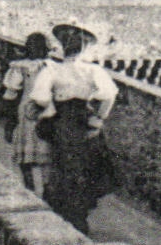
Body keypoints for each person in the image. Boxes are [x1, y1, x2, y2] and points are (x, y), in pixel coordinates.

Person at [26, 24, 119, 233]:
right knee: (85, 166)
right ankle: (80, 215)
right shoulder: (93, 70)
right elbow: (109, 94)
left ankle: (66, 215)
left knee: (63, 166)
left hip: (63, 122)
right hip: (85, 121)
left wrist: (45, 108)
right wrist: (98, 119)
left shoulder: (52, 69)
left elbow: (40, 97)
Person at [1, 32, 58, 196]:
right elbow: (11, 93)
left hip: (37, 110)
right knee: (35, 152)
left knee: (37, 151)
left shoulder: (46, 66)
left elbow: (10, 94)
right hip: (36, 111)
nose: (34, 49)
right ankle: (36, 188)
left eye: (37, 46)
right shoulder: (27, 66)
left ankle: (40, 189)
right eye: (32, 46)